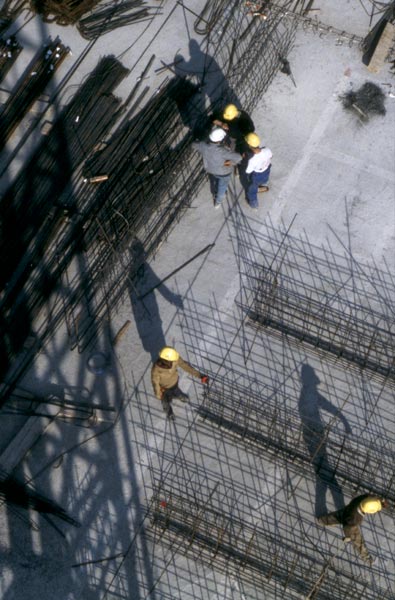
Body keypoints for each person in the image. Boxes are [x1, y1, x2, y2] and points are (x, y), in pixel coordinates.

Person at [317, 494, 389, 565]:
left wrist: (382, 500)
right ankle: (367, 558)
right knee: (358, 541)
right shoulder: (355, 519)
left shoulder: (362, 499)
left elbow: (370, 496)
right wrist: (348, 536)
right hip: (350, 521)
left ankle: (322, 520)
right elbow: (348, 527)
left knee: (338, 516)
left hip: (349, 509)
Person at [151, 346, 208, 420]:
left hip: (174, 383)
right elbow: (155, 382)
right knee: (165, 401)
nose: (175, 360)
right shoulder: (156, 369)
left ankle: (178, 395)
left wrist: (200, 376)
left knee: (176, 391)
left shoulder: (174, 358)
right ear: (166, 360)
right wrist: (158, 394)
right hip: (164, 389)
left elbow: (186, 366)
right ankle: (169, 412)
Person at [193, 127, 242, 208]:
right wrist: (230, 162)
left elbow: (194, 145)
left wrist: (201, 142)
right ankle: (218, 202)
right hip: (224, 172)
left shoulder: (203, 146)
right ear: (220, 140)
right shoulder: (223, 151)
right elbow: (239, 157)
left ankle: (216, 195)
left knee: (214, 179)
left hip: (210, 169)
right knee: (222, 187)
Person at [244, 132, 272, 209]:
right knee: (264, 180)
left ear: (249, 145)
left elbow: (248, 171)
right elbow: (271, 156)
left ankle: (254, 204)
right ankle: (263, 186)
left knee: (251, 190)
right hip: (266, 170)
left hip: (257, 175)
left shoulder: (252, 159)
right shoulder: (267, 150)